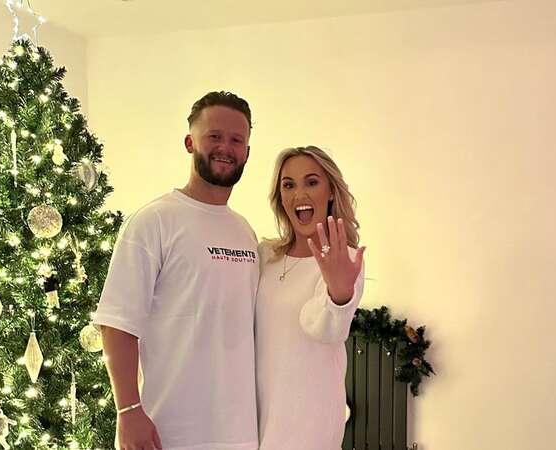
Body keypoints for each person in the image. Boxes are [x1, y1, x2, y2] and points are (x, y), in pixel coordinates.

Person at [94, 91, 259, 450]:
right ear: (190, 142)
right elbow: (117, 324)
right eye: (214, 136)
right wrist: (128, 409)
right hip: (168, 432)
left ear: (247, 151)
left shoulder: (245, 231)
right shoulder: (154, 221)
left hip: (241, 433)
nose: (225, 148)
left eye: (236, 140)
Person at [255, 146, 366, 449]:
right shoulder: (265, 256)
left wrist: (339, 295)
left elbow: (326, 329)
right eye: (288, 184)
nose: (299, 194)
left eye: (312, 182)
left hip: (309, 424)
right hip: (255, 420)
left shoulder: (346, 259)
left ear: (331, 192)